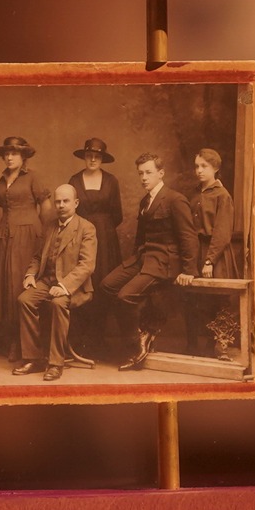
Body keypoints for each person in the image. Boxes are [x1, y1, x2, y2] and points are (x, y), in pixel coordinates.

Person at [101, 151, 198, 371]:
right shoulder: (145, 201)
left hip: (164, 261)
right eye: (140, 173)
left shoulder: (174, 199)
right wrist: (135, 260)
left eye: (148, 172)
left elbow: (188, 237)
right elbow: (141, 237)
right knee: (107, 285)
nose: (143, 177)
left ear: (161, 173)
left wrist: (188, 270)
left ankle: (137, 344)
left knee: (125, 296)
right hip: (144, 258)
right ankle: (141, 332)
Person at [13, 184, 98, 380]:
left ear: (76, 203)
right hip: (47, 280)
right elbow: (37, 256)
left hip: (75, 286)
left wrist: (64, 286)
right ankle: (33, 358)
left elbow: (87, 265)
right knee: (24, 300)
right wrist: (30, 275)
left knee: (57, 304)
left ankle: (55, 363)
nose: (61, 205)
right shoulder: (49, 226)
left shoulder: (86, 228)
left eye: (66, 201)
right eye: (57, 201)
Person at [0, 136, 50, 361]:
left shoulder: (33, 177)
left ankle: (20, 343)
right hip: (5, 236)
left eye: (14, 153)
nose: (9, 157)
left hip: (27, 237)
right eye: (6, 153)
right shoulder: (2, 178)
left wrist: (43, 235)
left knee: (18, 285)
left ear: (23, 156)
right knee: (5, 285)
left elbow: (46, 208)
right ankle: (7, 337)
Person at [177, 147, 243, 358]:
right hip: (195, 251)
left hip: (215, 253)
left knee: (219, 301)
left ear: (215, 168)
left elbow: (222, 232)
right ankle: (192, 345)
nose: (199, 170)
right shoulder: (194, 194)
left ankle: (218, 347)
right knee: (192, 298)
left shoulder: (222, 195)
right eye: (197, 166)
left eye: (204, 166)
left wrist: (210, 261)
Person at [65, 137, 124, 357]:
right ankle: (81, 340)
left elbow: (117, 215)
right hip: (80, 237)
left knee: (103, 284)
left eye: (97, 156)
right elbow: (69, 212)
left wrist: (102, 228)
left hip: (106, 241)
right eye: (89, 155)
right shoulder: (74, 180)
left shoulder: (111, 181)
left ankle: (99, 339)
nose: (92, 159)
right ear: (84, 157)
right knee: (82, 283)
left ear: (102, 159)